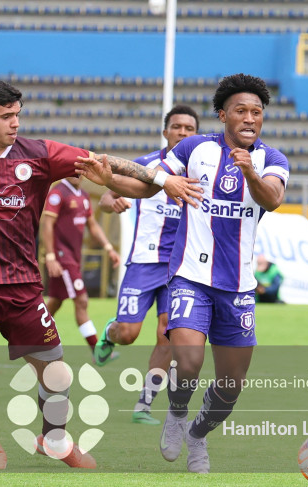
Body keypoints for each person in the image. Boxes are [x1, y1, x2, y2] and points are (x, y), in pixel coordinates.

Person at [0, 79, 200, 470]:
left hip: (23, 291)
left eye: (18, 114)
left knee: (58, 377)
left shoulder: (39, 154)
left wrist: (159, 180)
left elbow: (113, 165)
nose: (15, 123)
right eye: (6, 116)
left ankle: (54, 440)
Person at [76, 73, 288, 473]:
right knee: (187, 362)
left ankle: (198, 435)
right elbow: (149, 185)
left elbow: (273, 199)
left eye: (256, 112)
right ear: (223, 114)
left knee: (230, 388)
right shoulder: (194, 148)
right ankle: (175, 415)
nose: (249, 118)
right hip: (190, 276)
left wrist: (251, 174)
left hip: (239, 287)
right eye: (240, 111)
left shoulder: (271, 159)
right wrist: (111, 182)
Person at [95, 104, 200, 424]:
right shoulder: (145, 165)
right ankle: (109, 334)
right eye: (177, 127)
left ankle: (144, 403)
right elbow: (103, 196)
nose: (182, 132)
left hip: (178, 268)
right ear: (165, 131)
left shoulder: (200, 171)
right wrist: (112, 201)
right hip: (143, 262)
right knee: (129, 333)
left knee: (167, 335)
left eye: (189, 129)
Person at [41, 175, 120, 359]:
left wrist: (109, 248)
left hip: (74, 258)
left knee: (54, 302)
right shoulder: (58, 193)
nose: (76, 174)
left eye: (80, 171)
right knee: (81, 301)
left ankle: (26, 338)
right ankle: (98, 351)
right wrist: (51, 256)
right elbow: (47, 224)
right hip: (62, 258)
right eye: (72, 170)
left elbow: (92, 226)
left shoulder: (83, 195)